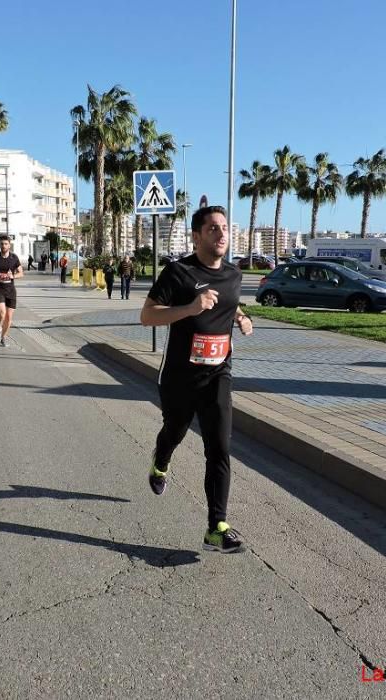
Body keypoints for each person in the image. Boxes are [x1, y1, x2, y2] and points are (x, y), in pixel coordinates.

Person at [140, 205, 253, 553]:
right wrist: (190, 308)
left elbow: (228, 303)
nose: (221, 235)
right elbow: (147, 316)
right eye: (213, 229)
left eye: (224, 229)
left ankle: (216, 527)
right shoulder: (179, 272)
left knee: (219, 447)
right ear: (197, 235)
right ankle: (160, 462)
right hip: (179, 377)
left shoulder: (234, 275)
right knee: (174, 431)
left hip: (218, 373)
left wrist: (241, 318)